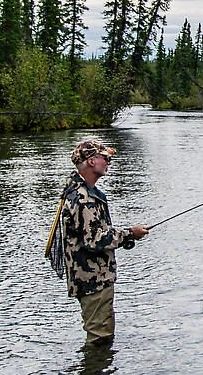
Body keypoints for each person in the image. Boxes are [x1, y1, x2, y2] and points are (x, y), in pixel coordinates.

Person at [61, 139, 149, 346]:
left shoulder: (79, 190)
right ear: (92, 161)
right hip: (93, 280)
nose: (109, 162)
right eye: (106, 158)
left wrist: (125, 236)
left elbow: (93, 233)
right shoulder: (83, 198)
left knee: (101, 336)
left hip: (91, 276)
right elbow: (94, 240)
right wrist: (130, 234)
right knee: (100, 340)